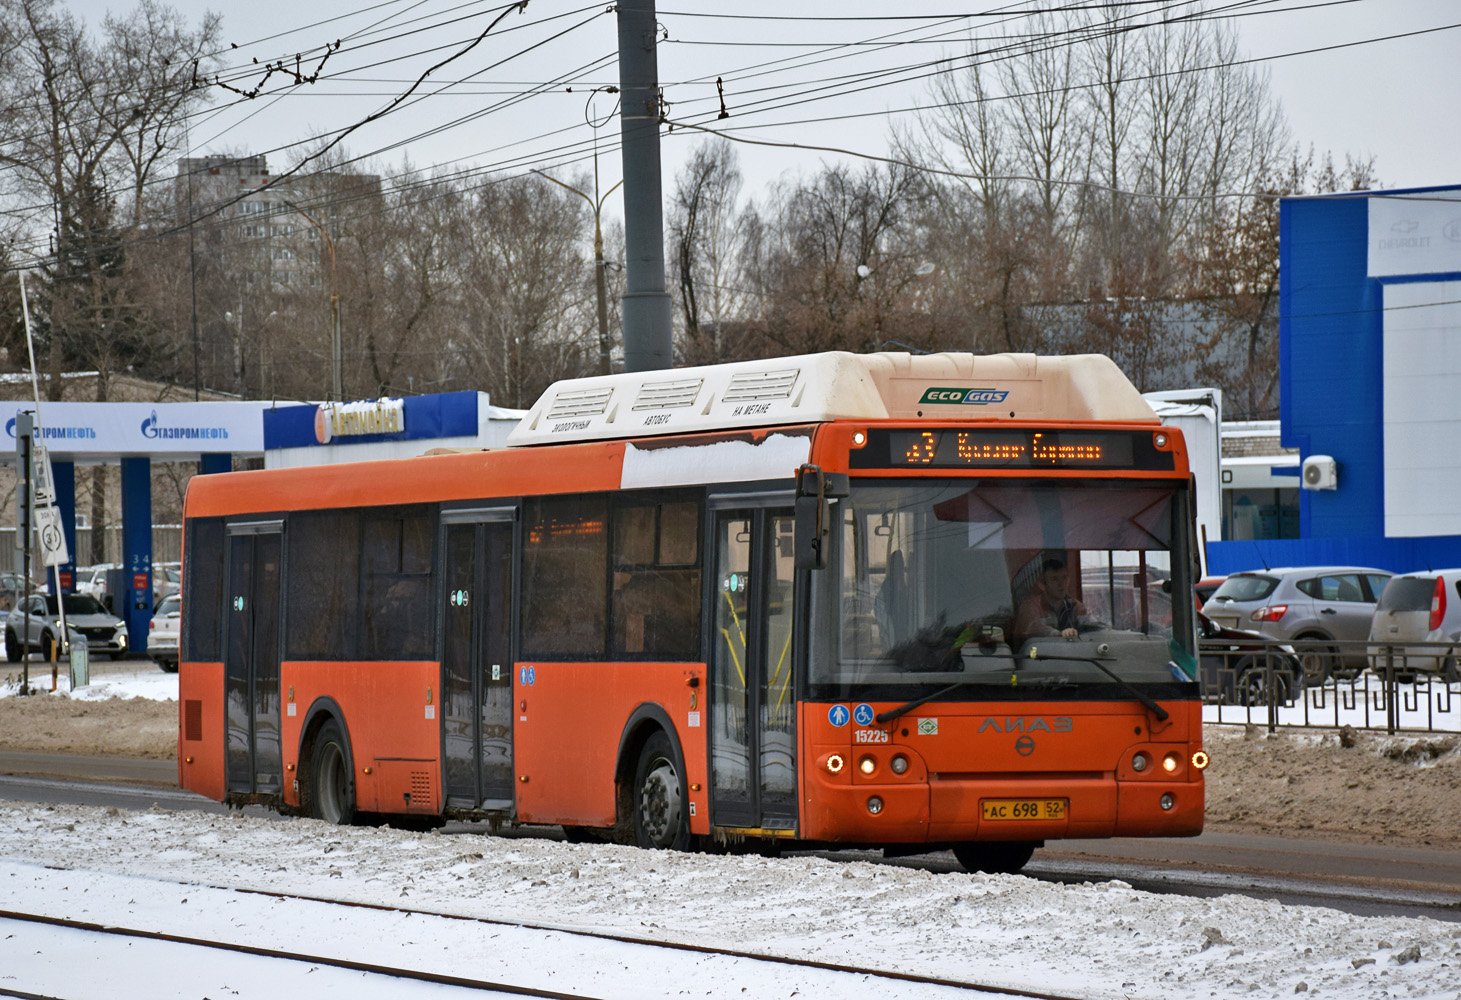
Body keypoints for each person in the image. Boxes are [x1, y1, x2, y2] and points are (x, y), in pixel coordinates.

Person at [1014, 558, 1100, 639]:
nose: (1061, 584)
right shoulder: (1030, 606)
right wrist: (1059, 634)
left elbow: (1091, 622)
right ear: (1042, 584)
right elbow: (1032, 627)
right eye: (1054, 579)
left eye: (1064, 578)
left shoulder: (1074, 605)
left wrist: (1105, 630)